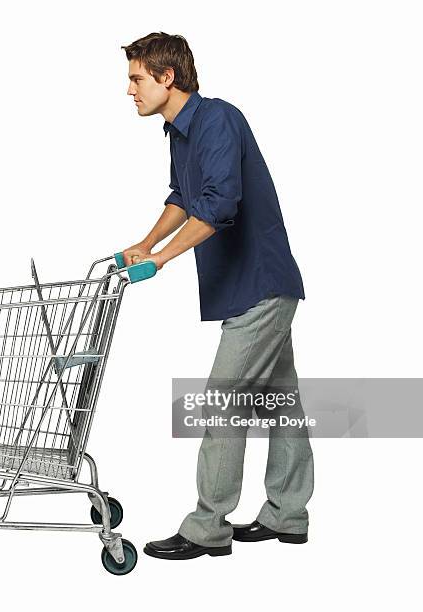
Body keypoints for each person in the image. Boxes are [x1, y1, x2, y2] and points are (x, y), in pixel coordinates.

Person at [120, 32, 314, 560]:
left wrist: (161, 260)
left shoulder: (218, 119)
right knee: (280, 404)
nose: (129, 90)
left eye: (137, 79)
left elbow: (219, 205)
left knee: (221, 404)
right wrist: (145, 243)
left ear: (167, 77)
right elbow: (185, 198)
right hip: (245, 288)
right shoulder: (177, 132)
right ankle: (287, 515)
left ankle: (208, 527)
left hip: (260, 285)